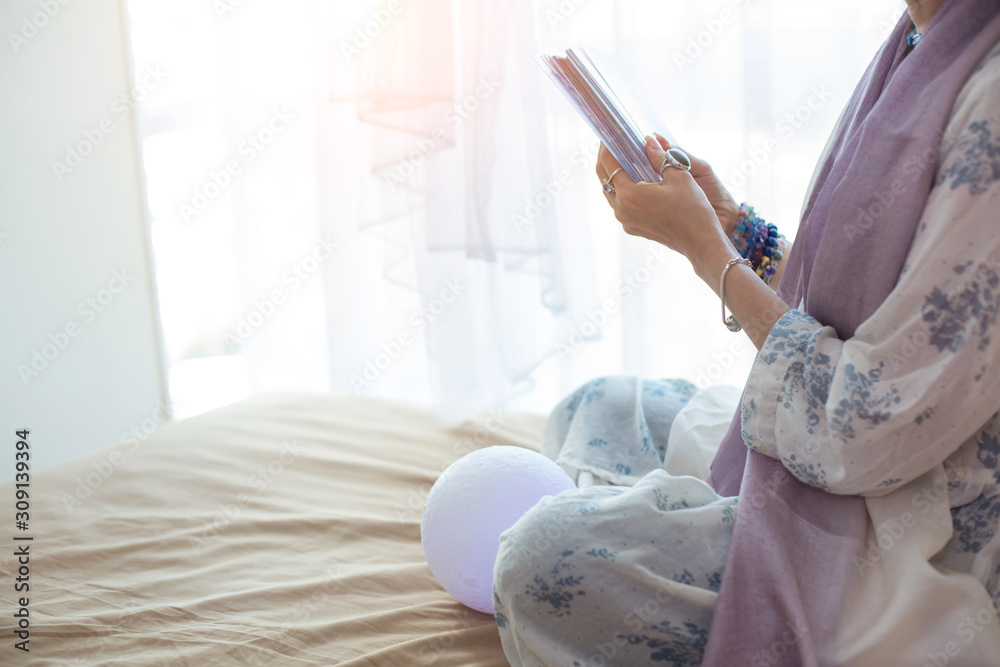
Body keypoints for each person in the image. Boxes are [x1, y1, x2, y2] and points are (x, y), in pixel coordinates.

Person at [492, 0, 1000, 665]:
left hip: (914, 526)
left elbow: (864, 429)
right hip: (839, 454)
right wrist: (734, 227)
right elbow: (870, 315)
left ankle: (676, 551)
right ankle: (676, 536)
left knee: (542, 565)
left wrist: (709, 252)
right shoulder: (918, 43)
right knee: (601, 409)